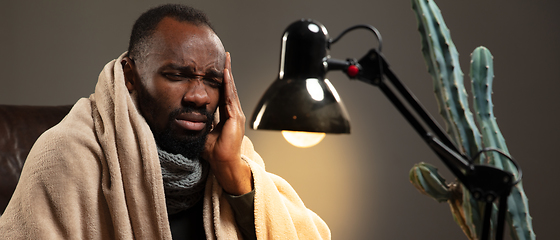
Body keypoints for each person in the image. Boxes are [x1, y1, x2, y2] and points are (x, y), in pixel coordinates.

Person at [0, 4, 330, 239]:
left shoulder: (231, 159)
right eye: (177, 75)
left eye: (213, 80)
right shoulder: (67, 155)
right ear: (130, 75)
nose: (199, 96)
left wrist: (233, 173)